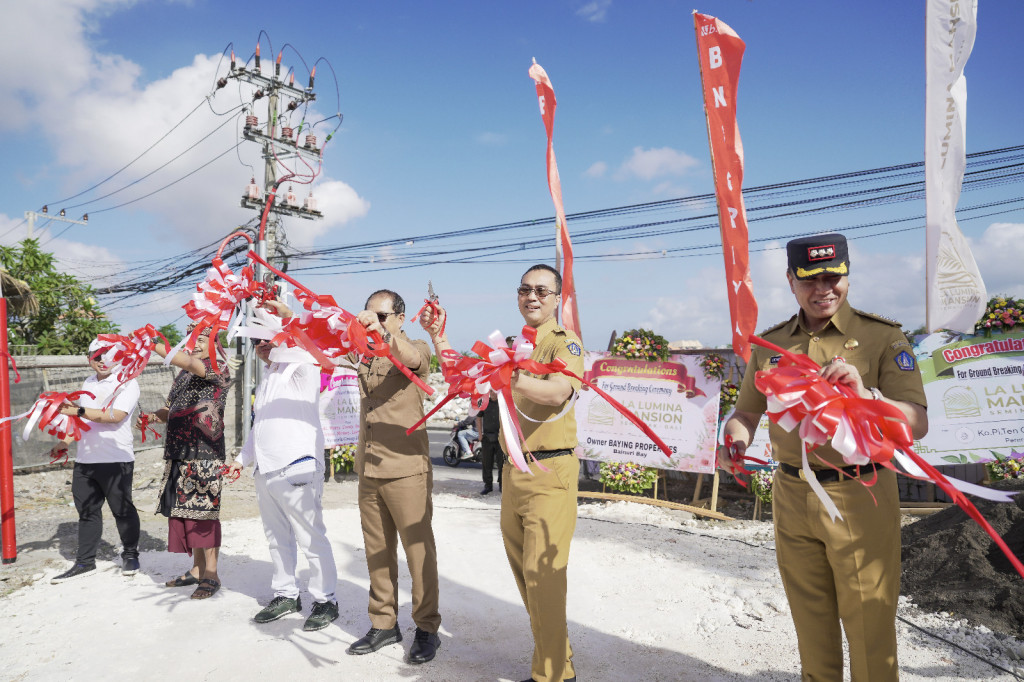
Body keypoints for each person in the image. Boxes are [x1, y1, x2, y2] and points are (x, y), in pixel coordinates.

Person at [721, 233, 928, 681]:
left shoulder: (881, 337)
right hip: (792, 494)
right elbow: (746, 413)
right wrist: (733, 440)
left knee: (869, 624)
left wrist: (866, 395)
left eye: (834, 277)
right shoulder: (771, 345)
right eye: (810, 280)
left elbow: (916, 421)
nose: (824, 289)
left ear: (848, 275)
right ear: (792, 281)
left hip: (860, 494)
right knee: (810, 622)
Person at [422, 264, 582, 682]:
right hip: (515, 472)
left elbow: (558, 391)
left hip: (552, 471)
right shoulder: (507, 346)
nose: (532, 296)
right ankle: (558, 657)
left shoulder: (565, 343)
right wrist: (439, 336)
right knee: (526, 577)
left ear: (557, 298)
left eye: (542, 291)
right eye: (525, 289)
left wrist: (511, 377)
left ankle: (552, 675)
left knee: (542, 575)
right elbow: (460, 376)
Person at [227, 300, 339, 631]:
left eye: (267, 339)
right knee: (277, 537)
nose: (261, 347)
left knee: (310, 537)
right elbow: (259, 426)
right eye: (256, 341)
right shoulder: (268, 378)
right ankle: (286, 593)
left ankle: (325, 600)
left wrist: (288, 317)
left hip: (298, 466)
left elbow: (308, 343)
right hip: (266, 469)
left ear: (282, 337)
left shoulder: (302, 366)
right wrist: (240, 460)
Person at [347, 289, 442, 664]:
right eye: (369, 315)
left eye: (382, 316)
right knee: (378, 552)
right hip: (369, 466)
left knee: (418, 554)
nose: (373, 321)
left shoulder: (412, 344)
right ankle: (384, 622)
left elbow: (412, 358)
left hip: (406, 469)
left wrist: (384, 335)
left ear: (400, 318)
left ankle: (427, 628)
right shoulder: (362, 350)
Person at [148, 324, 233, 600]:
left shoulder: (217, 367)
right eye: (191, 339)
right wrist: (153, 417)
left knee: (204, 515)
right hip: (179, 450)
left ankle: (212, 574)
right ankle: (196, 570)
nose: (194, 343)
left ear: (213, 342)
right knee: (186, 513)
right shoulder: (182, 375)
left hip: (204, 452)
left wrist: (148, 343)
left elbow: (187, 360)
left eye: (201, 338)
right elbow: (171, 407)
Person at [49, 340, 142, 583]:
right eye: (97, 356)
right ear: (88, 357)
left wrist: (77, 410)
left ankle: (131, 554)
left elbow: (115, 416)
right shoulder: (88, 383)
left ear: (118, 357)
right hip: (86, 460)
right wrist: (65, 442)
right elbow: (83, 421)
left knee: (122, 510)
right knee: (87, 513)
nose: (102, 360)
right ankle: (85, 562)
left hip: (116, 459)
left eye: (108, 355)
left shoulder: (127, 382)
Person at [477, 391, 501, 495]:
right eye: (490, 391)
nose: (492, 393)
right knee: (487, 463)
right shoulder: (484, 402)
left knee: (501, 464)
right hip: (487, 437)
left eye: (494, 391)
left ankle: (502, 485)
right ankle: (488, 485)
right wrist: (480, 434)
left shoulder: (502, 403)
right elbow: (478, 417)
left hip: (500, 438)